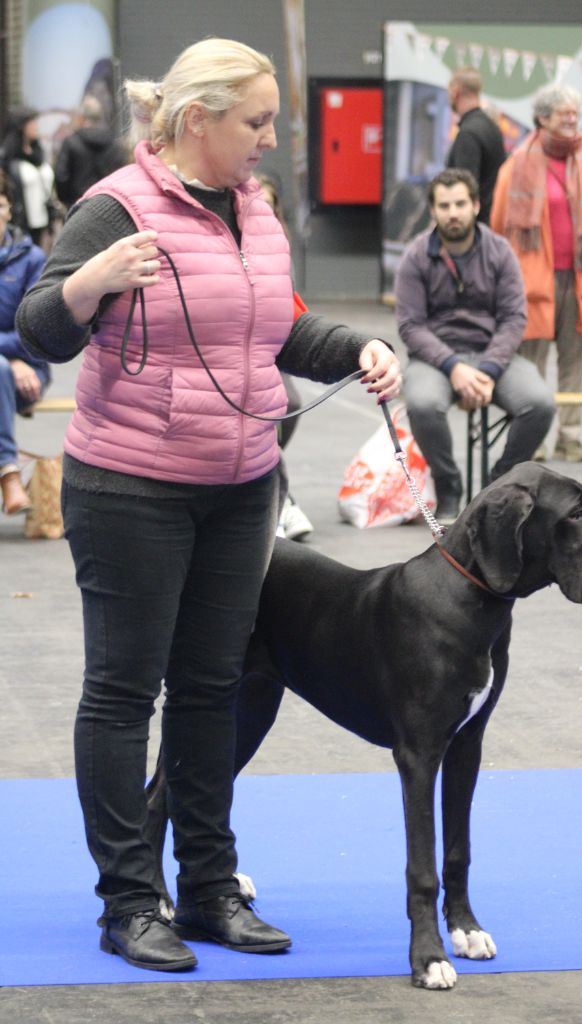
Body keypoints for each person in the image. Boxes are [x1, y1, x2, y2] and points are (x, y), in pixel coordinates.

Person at [17, 37, 400, 973]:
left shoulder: (257, 214)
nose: (270, 140)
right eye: (257, 122)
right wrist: (92, 280)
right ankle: (127, 901)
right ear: (199, 121)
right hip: (130, 489)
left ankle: (207, 890)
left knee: (210, 689)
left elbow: (278, 329)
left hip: (239, 490)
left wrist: (354, 347)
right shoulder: (117, 206)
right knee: (121, 693)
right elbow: (35, 323)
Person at [395, 168, 554, 523]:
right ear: (433, 211)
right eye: (445, 205)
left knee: (540, 404)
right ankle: (448, 485)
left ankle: (499, 486)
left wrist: (488, 370)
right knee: (421, 403)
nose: (453, 213)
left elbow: (514, 318)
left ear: (476, 206)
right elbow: (410, 325)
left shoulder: (500, 252)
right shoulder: (416, 257)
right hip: (435, 360)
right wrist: (454, 367)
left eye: (460, 204)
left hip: (493, 356)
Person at [490, 84, 582, 464]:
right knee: (531, 364)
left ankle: (570, 438)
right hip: (531, 280)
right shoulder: (515, 167)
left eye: (575, 112)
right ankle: (533, 437)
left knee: (574, 362)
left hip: (578, 277)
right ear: (542, 119)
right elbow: (497, 227)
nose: (572, 119)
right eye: (563, 113)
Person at [254, 171, 313, 540]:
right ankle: (280, 500)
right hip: (236, 352)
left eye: (269, 208)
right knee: (264, 407)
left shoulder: (281, 252)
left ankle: (281, 497)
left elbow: (290, 314)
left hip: (272, 348)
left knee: (288, 401)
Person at [0, 170, 49, 516]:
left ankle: (9, 473)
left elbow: (40, 328)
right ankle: (8, 473)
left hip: (27, 373)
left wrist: (17, 360)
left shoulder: (31, 260)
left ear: (9, 210)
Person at [446, 67, 506, 225]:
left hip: (473, 232)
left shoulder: (468, 135)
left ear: (455, 92)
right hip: (490, 225)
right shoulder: (491, 127)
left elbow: (464, 191)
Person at [54, 96, 129, 209]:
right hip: (108, 206)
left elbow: (61, 176)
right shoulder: (114, 143)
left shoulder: (71, 142)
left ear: (81, 117)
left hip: (78, 206)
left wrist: (66, 201)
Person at [0, 107, 56, 248]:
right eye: (32, 122)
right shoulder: (8, 158)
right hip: (21, 225)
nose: (36, 126)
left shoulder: (38, 153)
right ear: (21, 126)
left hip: (44, 223)